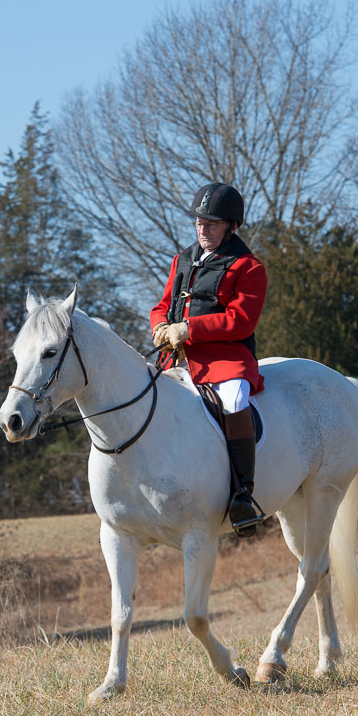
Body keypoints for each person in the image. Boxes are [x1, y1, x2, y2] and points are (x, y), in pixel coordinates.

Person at [150, 181, 267, 537]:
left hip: (226, 359)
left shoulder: (249, 267)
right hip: (176, 359)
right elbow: (161, 305)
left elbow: (240, 320)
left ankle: (243, 494)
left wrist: (189, 329)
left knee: (234, 399)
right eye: (199, 222)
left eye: (211, 224)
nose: (203, 229)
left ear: (232, 226)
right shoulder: (182, 260)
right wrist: (159, 327)